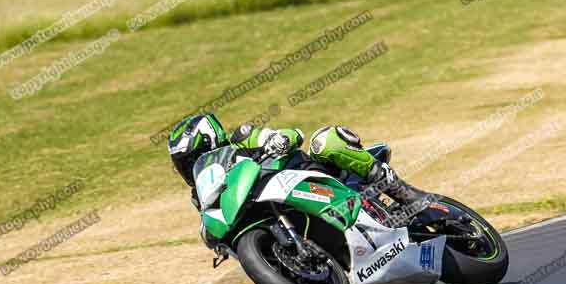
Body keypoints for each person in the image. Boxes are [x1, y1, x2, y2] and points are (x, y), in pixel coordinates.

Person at [167, 113, 426, 210]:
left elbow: (295, 135)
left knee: (326, 141)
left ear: (209, 141)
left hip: (311, 176)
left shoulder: (243, 139)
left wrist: (279, 140)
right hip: (280, 213)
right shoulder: (203, 196)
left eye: (190, 159)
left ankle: (405, 194)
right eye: (182, 164)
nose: (188, 168)